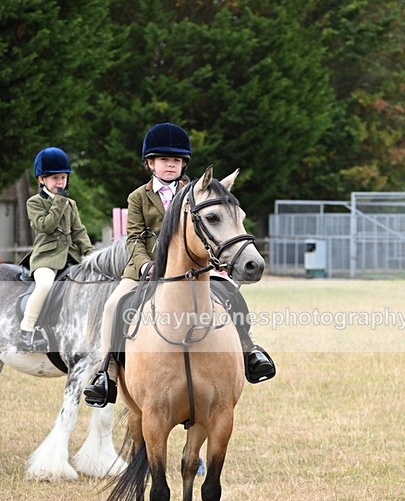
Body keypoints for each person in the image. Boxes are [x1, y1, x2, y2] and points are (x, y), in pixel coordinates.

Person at [83, 122, 275, 408]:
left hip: (193, 267)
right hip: (146, 268)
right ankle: (107, 372)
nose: (170, 165)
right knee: (115, 304)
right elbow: (134, 237)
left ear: (183, 164)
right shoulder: (138, 197)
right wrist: (145, 264)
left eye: (175, 160)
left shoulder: (197, 192)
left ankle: (249, 349)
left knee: (233, 294)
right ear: (150, 163)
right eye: (163, 160)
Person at [19, 147, 94, 351]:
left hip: (71, 257)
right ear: (42, 179)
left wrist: (91, 256)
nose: (60, 183)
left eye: (63, 178)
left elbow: (79, 232)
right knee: (44, 285)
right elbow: (46, 226)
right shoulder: (34, 202)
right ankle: (26, 331)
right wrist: (59, 202)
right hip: (46, 258)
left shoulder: (70, 203)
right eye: (55, 178)